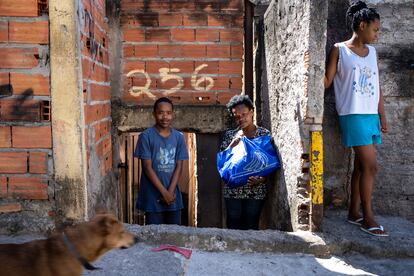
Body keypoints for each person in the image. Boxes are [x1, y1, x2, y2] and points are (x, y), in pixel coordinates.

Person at [324, 1, 388, 236]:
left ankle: (353, 212)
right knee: (372, 166)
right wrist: (308, 70)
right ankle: (368, 218)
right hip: (352, 114)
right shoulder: (339, 50)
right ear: (362, 26)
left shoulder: (372, 52)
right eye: (375, 29)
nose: (377, 34)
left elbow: (377, 86)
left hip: (370, 114)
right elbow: (327, 82)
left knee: (362, 167)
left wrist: (382, 116)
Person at [219, 95, 272, 230]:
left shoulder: (263, 135)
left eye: (244, 114)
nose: (241, 118)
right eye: (237, 116)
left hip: (256, 190)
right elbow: (222, 164)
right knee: (233, 225)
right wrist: (231, 145)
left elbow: (270, 162)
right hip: (233, 191)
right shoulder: (230, 136)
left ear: (252, 112)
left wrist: (262, 179)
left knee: (251, 225)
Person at [134, 97, 189, 225]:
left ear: (172, 114)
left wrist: (170, 192)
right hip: (153, 199)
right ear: (154, 114)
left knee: (174, 237)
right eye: (161, 113)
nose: (165, 117)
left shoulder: (178, 137)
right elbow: (147, 168)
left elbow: (179, 167)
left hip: (173, 198)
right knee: (154, 240)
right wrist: (163, 193)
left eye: (168, 113)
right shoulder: (146, 136)